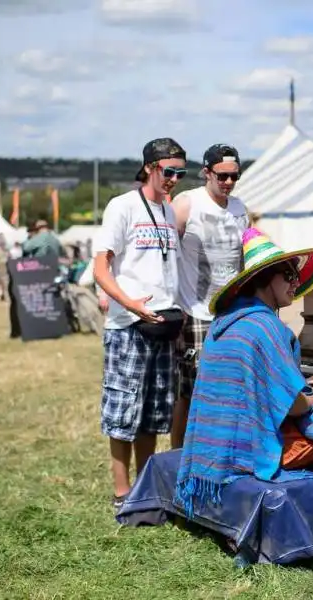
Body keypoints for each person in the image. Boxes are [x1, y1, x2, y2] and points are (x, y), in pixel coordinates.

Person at [175, 228, 313, 533]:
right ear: (265, 279)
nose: (296, 282)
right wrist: (312, 399)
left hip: (214, 446)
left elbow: (257, 385)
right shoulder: (266, 326)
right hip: (248, 451)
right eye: (289, 275)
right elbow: (292, 405)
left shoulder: (225, 322)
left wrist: (298, 385)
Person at [92, 137, 188, 508]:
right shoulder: (123, 207)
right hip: (129, 325)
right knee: (123, 411)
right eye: (169, 171)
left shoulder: (167, 211)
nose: (174, 179)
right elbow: (101, 268)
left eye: (181, 172)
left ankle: (145, 490)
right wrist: (130, 304)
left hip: (163, 323)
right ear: (149, 167)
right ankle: (121, 493)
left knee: (153, 411)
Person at [170, 143, 250, 448]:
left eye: (235, 176)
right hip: (195, 312)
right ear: (206, 172)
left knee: (227, 389)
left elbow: (246, 258)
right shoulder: (187, 203)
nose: (229, 182)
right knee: (190, 392)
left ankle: (215, 452)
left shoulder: (241, 209)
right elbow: (165, 250)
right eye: (223, 176)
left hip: (231, 313)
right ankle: (178, 456)